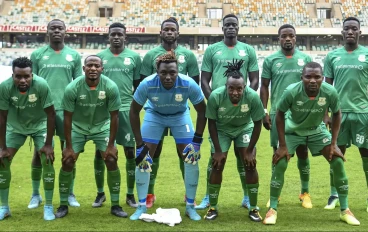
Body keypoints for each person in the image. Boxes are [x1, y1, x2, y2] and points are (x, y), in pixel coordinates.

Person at [263, 62, 360, 226]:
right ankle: (272, 209)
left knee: (337, 160)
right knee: (280, 162)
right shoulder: (292, 91)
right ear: (302, 78)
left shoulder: (330, 91)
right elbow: (279, 115)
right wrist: (282, 146)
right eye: (308, 77)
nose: (313, 80)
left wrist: (334, 143)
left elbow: (337, 114)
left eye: (317, 77)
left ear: (322, 78)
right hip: (292, 131)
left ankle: (345, 210)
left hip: (317, 131)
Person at [129, 51, 206, 221]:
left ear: (178, 71)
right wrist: (140, 143)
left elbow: (202, 111)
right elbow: (134, 112)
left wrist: (197, 141)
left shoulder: (188, 84)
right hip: (155, 115)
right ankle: (141, 206)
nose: (168, 77)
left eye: (172, 72)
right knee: (143, 157)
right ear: (157, 72)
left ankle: (190, 206)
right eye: (163, 73)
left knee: (191, 157)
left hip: (180, 116)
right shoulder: (147, 84)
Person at [197, 13, 259, 210]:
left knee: (246, 159)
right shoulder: (212, 50)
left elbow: (254, 79)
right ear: (222, 28)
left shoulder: (248, 50)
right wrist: (214, 101)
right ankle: (208, 196)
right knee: (215, 158)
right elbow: (204, 80)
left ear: (238, 28)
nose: (231, 27)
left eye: (234, 24)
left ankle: (248, 197)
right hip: (220, 110)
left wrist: (245, 97)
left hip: (241, 110)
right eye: (227, 25)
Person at [55, 55, 126, 218]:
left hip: (102, 127)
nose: (93, 68)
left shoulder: (110, 86)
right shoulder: (72, 88)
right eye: (89, 65)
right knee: (67, 161)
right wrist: (69, 147)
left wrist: (111, 146)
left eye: (96, 65)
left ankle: (115, 205)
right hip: (77, 127)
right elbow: (67, 117)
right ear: (84, 68)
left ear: (102, 68)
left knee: (111, 159)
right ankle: (63, 205)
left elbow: (114, 116)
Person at [140, 17, 200, 207]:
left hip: (180, 111)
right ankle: (149, 194)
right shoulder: (151, 55)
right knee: (153, 152)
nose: (169, 32)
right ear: (160, 32)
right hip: (155, 111)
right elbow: (143, 82)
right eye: (165, 29)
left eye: (172, 29)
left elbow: (195, 83)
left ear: (178, 33)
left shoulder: (188, 56)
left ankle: (188, 195)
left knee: (185, 153)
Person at [29, 19, 82, 209]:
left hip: (67, 110)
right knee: (39, 151)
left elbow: (78, 83)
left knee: (69, 151)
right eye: (53, 28)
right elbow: (31, 83)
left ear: (66, 32)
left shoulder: (74, 55)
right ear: (47, 31)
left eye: (60, 28)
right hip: (43, 111)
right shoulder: (37, 54)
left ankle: (69, 193)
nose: (57, 31)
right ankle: (35, 194)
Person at [204, 59, 264, 222]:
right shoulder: (216, 96)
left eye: (239, 89)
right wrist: (217, 150)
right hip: (222, 130)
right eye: (231, 88)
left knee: (250, 164)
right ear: (226, 87)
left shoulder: (252, 97)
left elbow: (258, 123)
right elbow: (212, 123)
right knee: (218, 164)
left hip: (244, 128)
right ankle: (212, 207)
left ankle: (253, 208)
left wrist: (250, 150)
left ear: (244, 87)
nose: (235, 93)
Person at [260, 24, 313, 208]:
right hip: (278, 113)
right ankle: (276, 194)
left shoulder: (305, 58)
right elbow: (265, 86)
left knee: (302, 151)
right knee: (278, 153)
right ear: (279, 38)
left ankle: (305, 192)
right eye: (284, 36)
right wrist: (264, 111)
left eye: (291, 35)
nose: (288, 39)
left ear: (296, 38)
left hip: (300, 114)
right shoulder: (271, 60)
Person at [0, 57, 56, 220]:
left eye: (26, 76)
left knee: (47, 159)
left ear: (32, 75)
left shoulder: (41, 85)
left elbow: (51, 114)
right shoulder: (4, 87)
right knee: (2, 160)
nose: (22, 80)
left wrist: (48, 144)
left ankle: (48, 206)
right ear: (13, 75)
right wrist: (2, 147)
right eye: (18, 76)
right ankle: (4, 207)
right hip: (15, 128)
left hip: (40, 126)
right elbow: (2, 117)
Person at [93, 22, 142, 208]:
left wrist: (135, 108)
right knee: (101, 152)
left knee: (130, 152)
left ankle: (130, 195)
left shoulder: (134, 57)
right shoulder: (99, 58)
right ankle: (100, 194)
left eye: (119, 34)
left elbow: (138, 85)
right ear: (108, 37)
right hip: (103, 111)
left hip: (126, 109)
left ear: (125, 37)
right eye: (112, 34)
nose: (116, 37)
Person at [323, 16, 368, 211]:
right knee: (335, 154)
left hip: (363, 114)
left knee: (366, 156)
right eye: (347, 29)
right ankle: (334, 195)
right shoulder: (332, 56)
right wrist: (325, 112)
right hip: (338, 115)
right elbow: (326, 86)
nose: (350, 32)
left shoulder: (367, 54)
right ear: (342, 33)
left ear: (360, 32)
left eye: (354, 29)